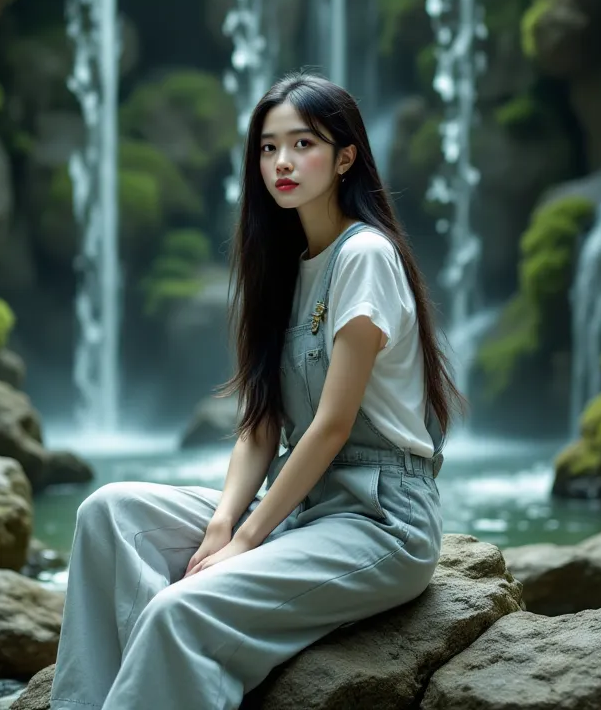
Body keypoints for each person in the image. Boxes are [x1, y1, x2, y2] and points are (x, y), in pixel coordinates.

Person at [49, 71, 465, 710]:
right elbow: (260, 424)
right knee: (106, 514)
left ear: (346, 156)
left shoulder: (365, 256)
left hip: (382, 520)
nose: (282, 163)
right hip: (305, 506)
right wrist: (222, 525)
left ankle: (163, 668)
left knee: (180, 611)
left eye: (303, 144)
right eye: (269, 148)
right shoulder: (283, 265)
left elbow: (329, 427)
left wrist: (246, 543)